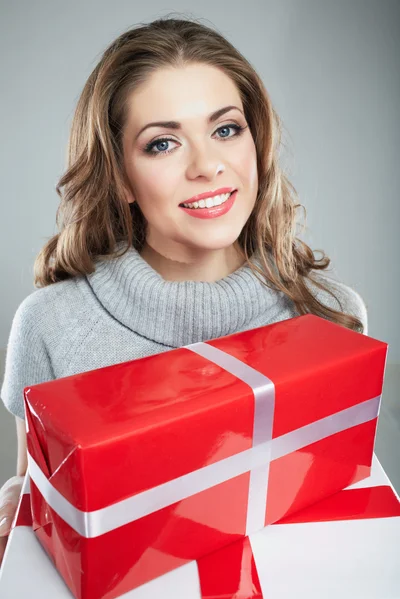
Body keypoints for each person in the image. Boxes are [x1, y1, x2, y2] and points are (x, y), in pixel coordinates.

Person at [0, 16, 367, 567]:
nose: (208, 166)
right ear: (120, 176)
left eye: (225, 130)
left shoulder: (332, 316)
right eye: (163, 144)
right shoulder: (50, 326)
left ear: (256, 143)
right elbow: (34, 501)